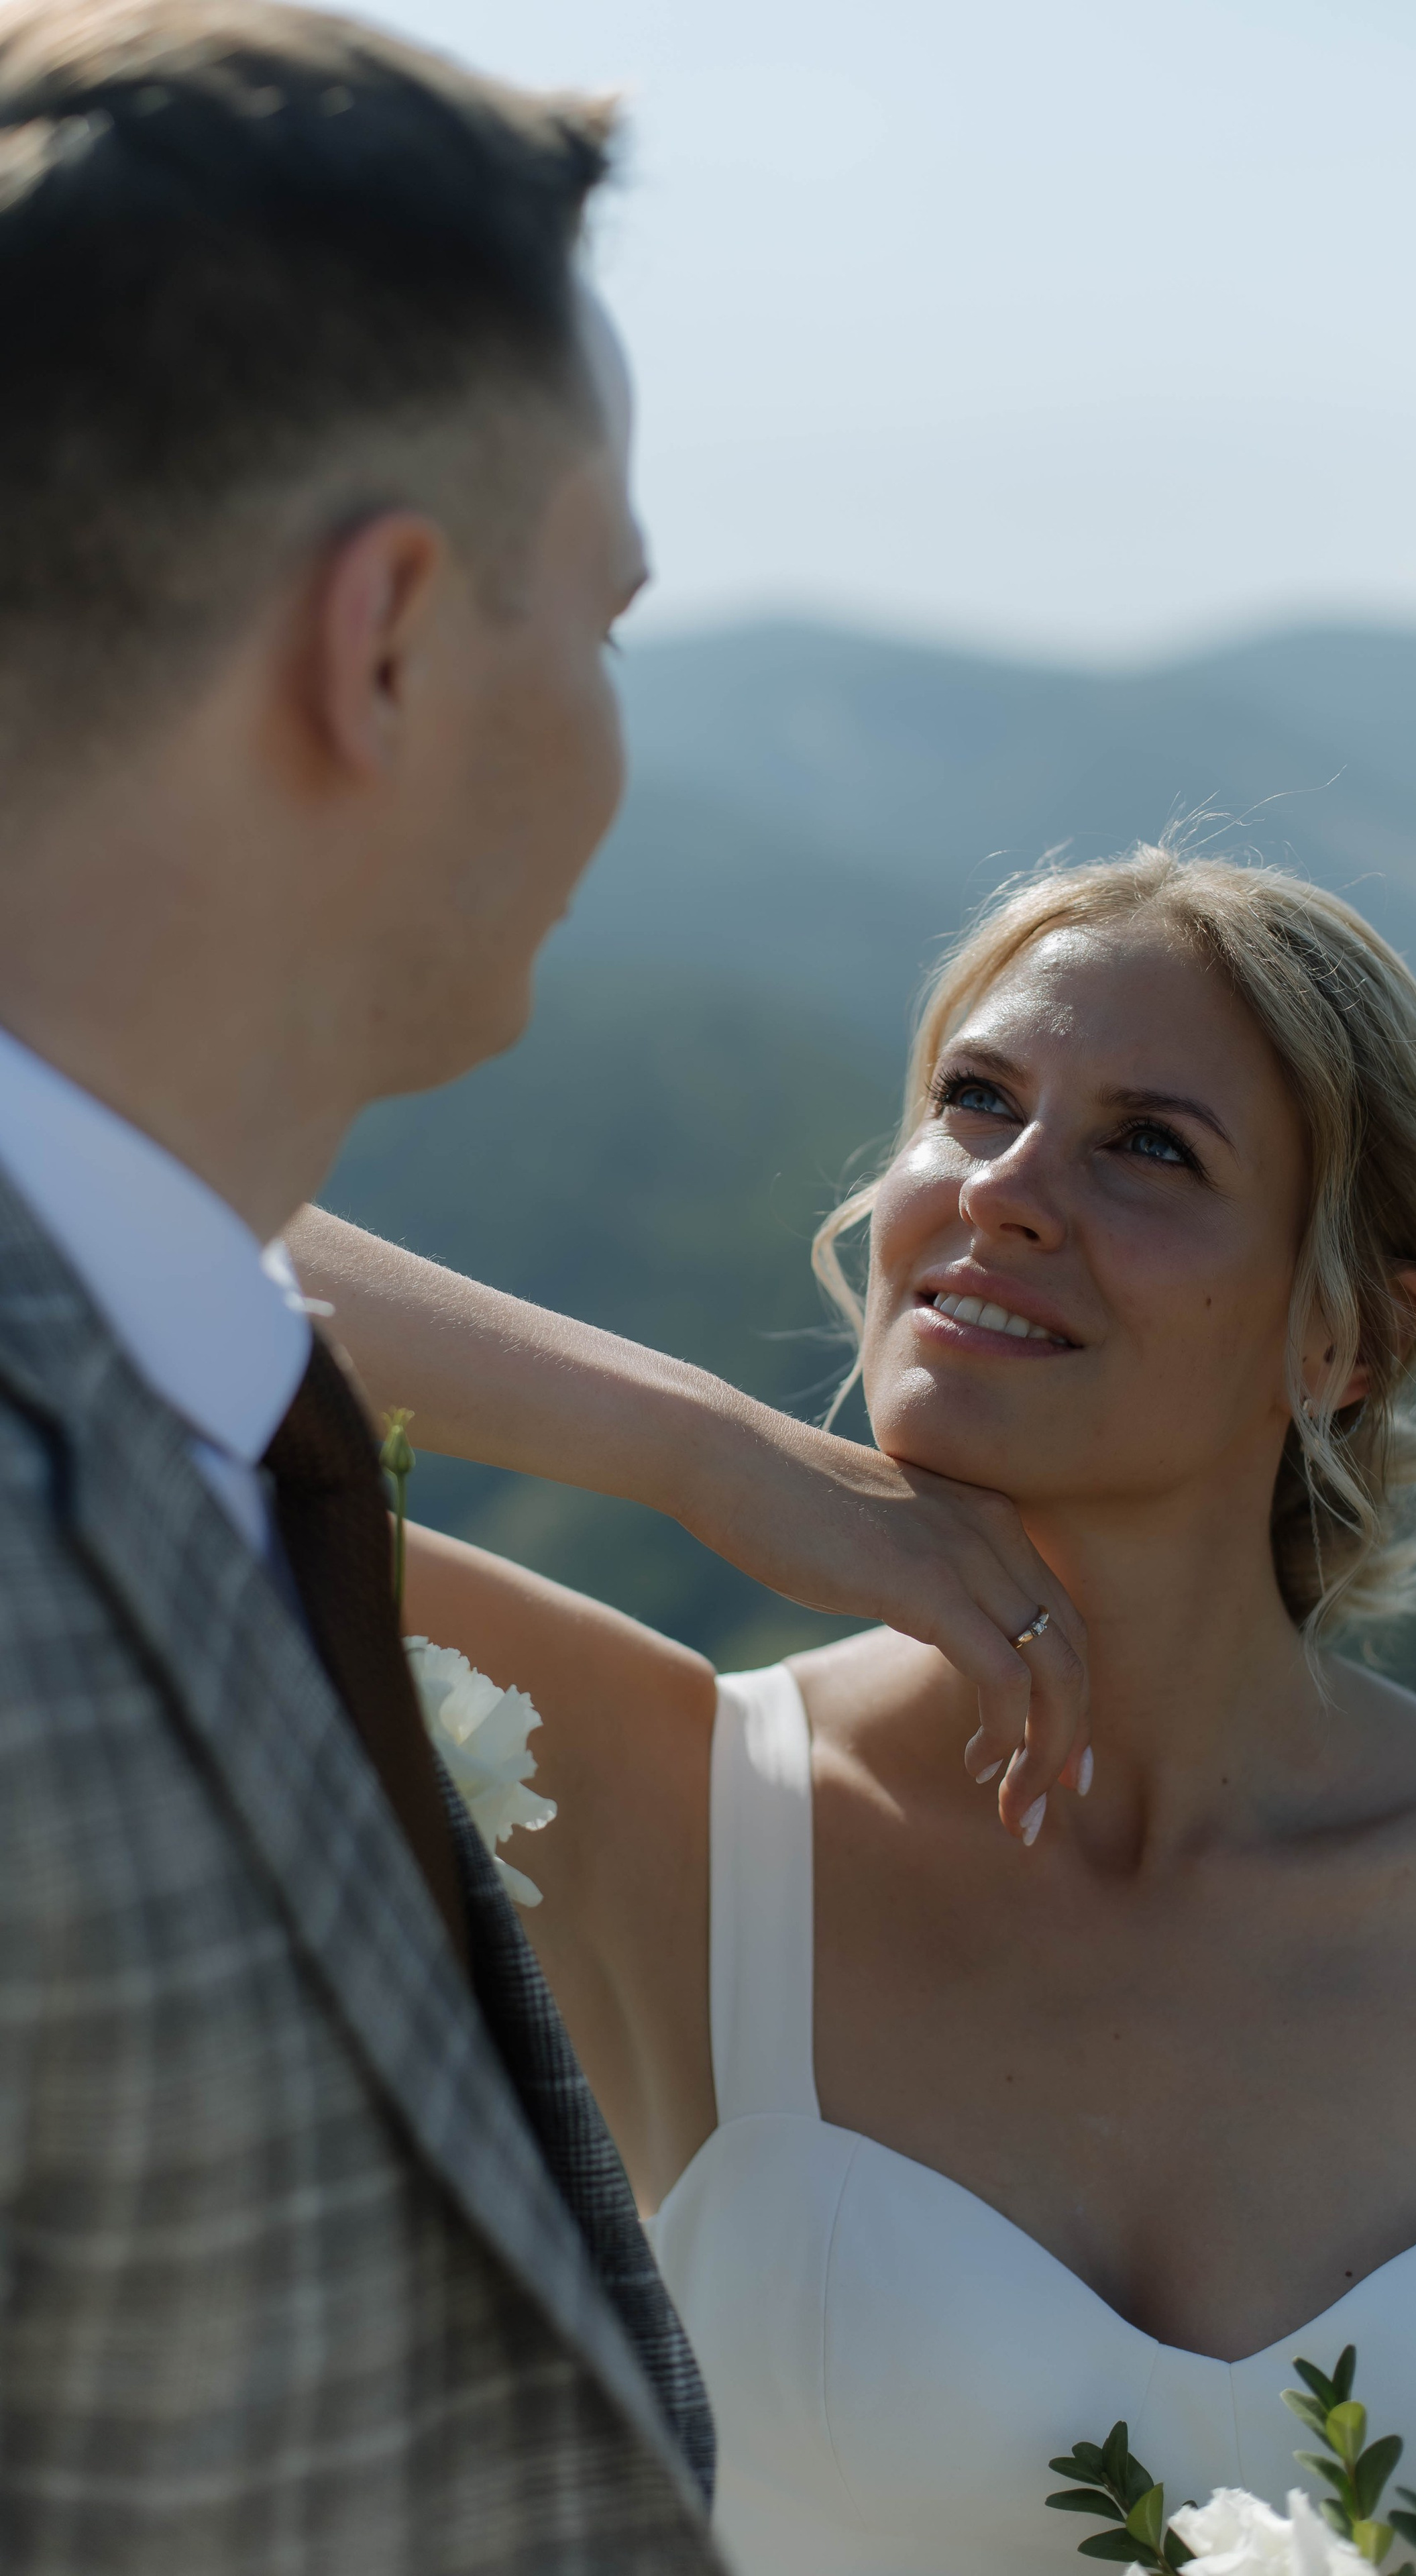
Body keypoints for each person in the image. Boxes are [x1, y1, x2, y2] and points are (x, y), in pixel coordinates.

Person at [0, 4, 1082, 2567]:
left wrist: (713, 1452)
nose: (616, 735)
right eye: (595, 617)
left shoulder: (156, 1356)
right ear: (381, 642)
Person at [388, 849, 1416, 2576]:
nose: (1001, 1190)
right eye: (972, 1102)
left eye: (1149, 1147)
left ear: (1343, 1341)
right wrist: (706, 1456)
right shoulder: (668, 1802)